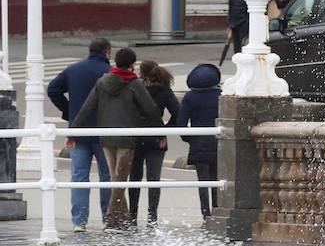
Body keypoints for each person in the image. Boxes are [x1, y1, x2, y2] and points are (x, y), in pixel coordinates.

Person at [71, 47, 162, 229]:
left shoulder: (102, 82)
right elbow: (150, 109)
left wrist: (73, 132)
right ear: (133, 64)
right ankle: (113, 219)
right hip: (126, 139)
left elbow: (87, 108)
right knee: (119, 180)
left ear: (115, 62)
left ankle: (122, 219)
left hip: (106, 137)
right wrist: (160, 132)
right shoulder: (134, 84)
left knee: (116, 179)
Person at [47, 36, 112, 233]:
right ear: (107, 52)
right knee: (107, 176)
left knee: (79, 177)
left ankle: (79, 221)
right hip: (104, 132)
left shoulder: (73, 69)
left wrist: (68, 110)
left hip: (78, 130)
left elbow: (53, 89)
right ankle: (107, 218)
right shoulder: (109, 72)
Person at [128, 60, 180, 227]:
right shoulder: (165, 91)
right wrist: (165, 129)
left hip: (136, 137)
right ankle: (152, 217)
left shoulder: (135, 88)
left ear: (142, 73)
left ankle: (132, 216)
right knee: (154, 179)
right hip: (156, 138)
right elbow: (177, 113)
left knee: (134, 178)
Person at [175, 61, 222, 219]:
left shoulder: (190, 97)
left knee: (202, 181)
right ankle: (217, 212)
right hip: (219, 143)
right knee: (217, 180)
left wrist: (191, 139)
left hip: (199, 145)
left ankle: (205, 214)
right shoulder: (222, 95)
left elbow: (181, 124)